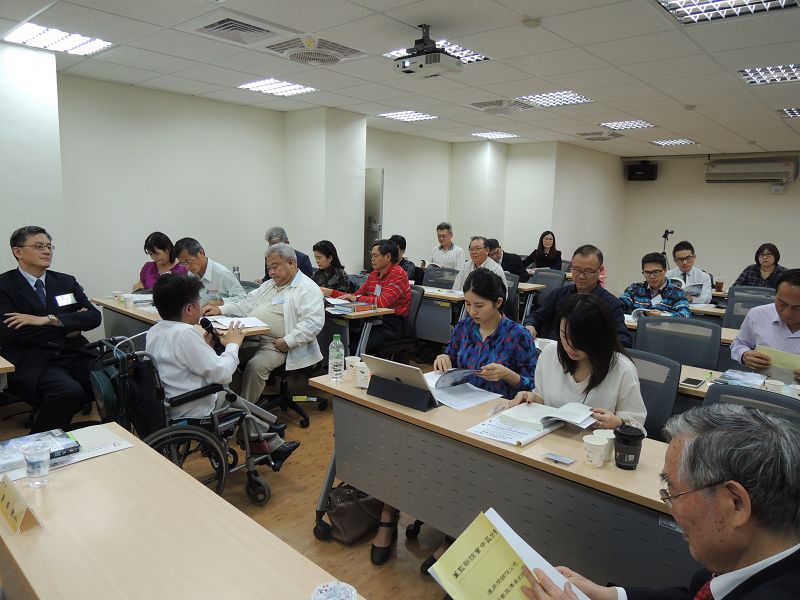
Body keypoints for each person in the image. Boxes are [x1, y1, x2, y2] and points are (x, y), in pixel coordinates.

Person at [519, 404, 800, 600]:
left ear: (735, 504)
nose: (671, 508)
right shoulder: (745, 563)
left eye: (673, 492)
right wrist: (610, 596)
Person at [373, 269, 536, 570]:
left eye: (479, 305)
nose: (472, 311)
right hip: (456, 408)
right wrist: (443, 359)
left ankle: (453, 534)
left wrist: (508, 375)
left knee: (462, 467)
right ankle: (390, 510)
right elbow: (451, 357)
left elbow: (534, 388)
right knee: (409, 444)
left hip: (492, 419)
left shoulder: (518, 335)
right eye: (468, 304)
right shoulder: (464, 327)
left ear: (498, 302)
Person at [147, 275, 299, 469]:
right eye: (198, 301)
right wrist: (233, 345)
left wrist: (204, 348)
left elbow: (184, 363)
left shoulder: (155, 331)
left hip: (169, 402)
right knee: (228, 396)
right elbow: (223, 374)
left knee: (231, 398)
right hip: (192, 407)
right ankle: (267, 439)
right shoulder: (185, 334)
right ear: (189, 309)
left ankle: (267, 434)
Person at [0, 226, 101, 432]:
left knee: (116, 376)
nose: (47, 251)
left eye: (49, 246)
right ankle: (40, 443)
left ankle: (120, 438)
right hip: (33, 359)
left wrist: (49, 320)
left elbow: (93, 316)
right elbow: (13, 331)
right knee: (68, 392)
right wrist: (70, 327)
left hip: (74, 352)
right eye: (39, 246)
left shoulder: (65, 281)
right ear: (18, 251)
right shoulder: (4, 285)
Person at [204, 243, 324, 404]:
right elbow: (247, 304)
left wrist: (287, 341)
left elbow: (313, 323)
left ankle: (245, 411)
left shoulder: (307, 288)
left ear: (291, 263)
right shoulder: (269, 285)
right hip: (253, 339)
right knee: (225, 357)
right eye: (269, 268)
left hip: (280, 345)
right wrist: (221, 310)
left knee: (255, 366)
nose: (271, 272)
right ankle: (231, 403)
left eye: (275, 267)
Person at [512, 294, 646, 429]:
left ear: (600, 337)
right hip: (552, 437)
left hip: (595, 440)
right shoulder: (550, 354)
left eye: (579, 341)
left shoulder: (622, 368)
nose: (570, 347)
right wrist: (531, 398)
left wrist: (618, 422)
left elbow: (636, 424)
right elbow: (542, 397)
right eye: (565, 337)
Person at [524, 245, 631, 347]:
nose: (581, 276)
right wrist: (530, 325)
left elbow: (623, 340)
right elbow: (536, 317)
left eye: (588, 271)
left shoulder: (611, 304)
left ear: (600, 270)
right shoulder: (559, 294)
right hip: (554, 350)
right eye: (576, 270)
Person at [322, 239, 411, 353]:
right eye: (371, 255)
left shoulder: (398, 274)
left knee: (353, 348)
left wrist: (356, 298)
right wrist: (330, 292)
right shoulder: (374, 274)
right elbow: (354, 296)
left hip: (392, 324)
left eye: (376, 256)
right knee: (344, 339)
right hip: (371, 320)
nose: (372, 259)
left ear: (388, 257)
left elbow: (383, 302)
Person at [731, 268, 800, 383]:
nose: (787, 313)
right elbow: (739, 343)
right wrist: (744, 355)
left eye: (797, 308)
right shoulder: (758, 314)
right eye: (782, 303)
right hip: (760, 387)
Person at [174, 237, 247, 307]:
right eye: (182, 263)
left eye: (188, 261)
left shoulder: (222, 273)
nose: (187, 267)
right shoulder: (191, 274)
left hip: (220, 315)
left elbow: (243, 297)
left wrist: (220, 303)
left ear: (201, 253)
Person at [619, 253, 690, 318]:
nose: (651, 276)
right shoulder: (635, 288)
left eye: (656, 272)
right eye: (647, 272)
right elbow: (618, 306)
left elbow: (685, 315)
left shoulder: (677, 292)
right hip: (634, 327)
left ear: (665, 270)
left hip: (661, 327)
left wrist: (662, 315)